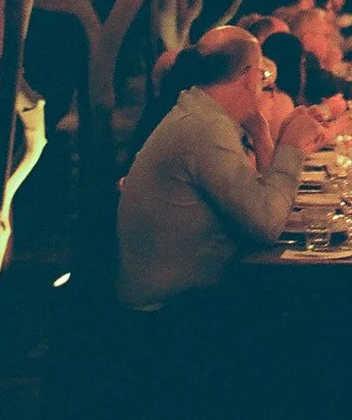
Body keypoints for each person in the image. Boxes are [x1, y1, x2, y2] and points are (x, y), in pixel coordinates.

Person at [117, 27, 326, 309]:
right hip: (173, 315)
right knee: (311, 303)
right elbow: (267, 224)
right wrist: (290, 148)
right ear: (249, 76)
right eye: (263, 79)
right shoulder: (205, 129)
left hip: (188, 299)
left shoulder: (203, 114)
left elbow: (265, 207)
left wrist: (263, 134)